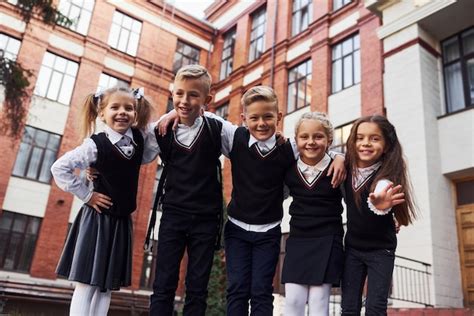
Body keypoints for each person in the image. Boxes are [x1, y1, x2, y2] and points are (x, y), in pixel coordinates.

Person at [159, 85, 346, 315]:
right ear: (243, 118)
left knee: (261, 291)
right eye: (254, 118)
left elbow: (317, 147)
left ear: (278, 117)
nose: (261, 123)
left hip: (268, 232)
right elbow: (202, 114)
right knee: (237, 289)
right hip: (237, 230)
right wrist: (174, 113)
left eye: (268, 117)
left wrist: (339, 157)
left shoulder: (289, 149)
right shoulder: (233, 136)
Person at [51, 86, 158, 315]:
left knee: (105, 287)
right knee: (87, 284)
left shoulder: (139, 140)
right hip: (97, 219)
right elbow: (59, 167)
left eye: (128, 108)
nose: (122, 112)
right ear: (102, 113)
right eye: (115, 107)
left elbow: (155, 138)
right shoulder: (95, 144)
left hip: (121, 222)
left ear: (136, 113)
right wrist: (87, 195)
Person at [149, 65, 225, 316]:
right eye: (179, 93)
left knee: (197, 288)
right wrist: (93, 168)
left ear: (207, 100)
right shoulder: (161, 130)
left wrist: (332, 156)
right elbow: (124, 150)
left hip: (206, 219)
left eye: (193, 95)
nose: (184, 100)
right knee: (163, 286)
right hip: (173, 215)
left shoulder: (217, 128)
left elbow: (252, 145)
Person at [341, 115, 417, 315]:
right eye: (360, 138)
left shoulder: (387, 177)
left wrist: (380, 206)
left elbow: (382, 192)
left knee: (375, 308)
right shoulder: (345, 169)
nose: (366, 143)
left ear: (386, 145)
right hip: (352, 249)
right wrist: (339, 158)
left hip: (380, 251)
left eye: (374, 138)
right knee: (349, 307)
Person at [282, 112, 344, 316]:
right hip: (298, 239)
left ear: (329, 141)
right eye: (304, 137)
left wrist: (340, 156)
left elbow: (358, 198)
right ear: (296, 139)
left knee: (319, 302)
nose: (311, 142)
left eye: (318, 136)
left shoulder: (339, 169)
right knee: (292, 301)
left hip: (328, 239)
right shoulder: (288, 169)